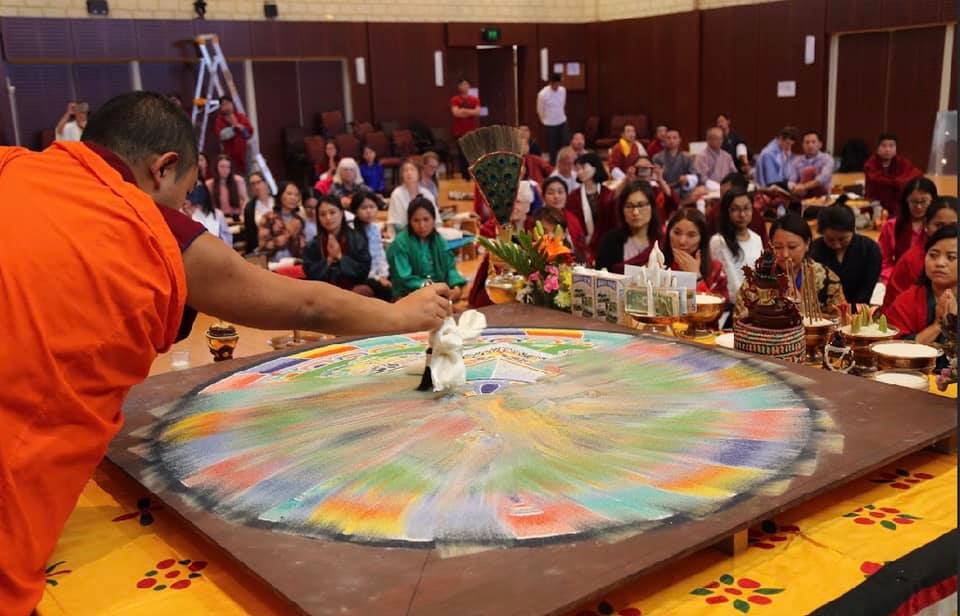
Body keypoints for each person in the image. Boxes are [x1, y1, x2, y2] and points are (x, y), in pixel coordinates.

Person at [0, 91, 451, 615]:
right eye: (185, 193)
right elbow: (306, 305)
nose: (183, 210)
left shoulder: (12, 166)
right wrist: (400, 316)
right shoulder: (147, 226)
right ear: (163, 168)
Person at [734, 213, 846, 321]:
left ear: (807, 244)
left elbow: (840, 318)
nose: (785, 254)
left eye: (792, 247)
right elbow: (738, 319)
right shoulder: (756, 280)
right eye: (778, 247)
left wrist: (803, 309)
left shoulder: (826, 279)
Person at [884, 225, 958, 345]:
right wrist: (937, 326)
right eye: (933, 255)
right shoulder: (908, 300)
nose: (940, 263)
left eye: (951, 257)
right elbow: (892, 346)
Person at [883, 197, 958, 313]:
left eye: (954, 225)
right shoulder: (912, 260)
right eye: (939, 225)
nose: (947, 231)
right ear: (926, 224)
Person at [468, 181, 535, 307]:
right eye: (510, 203)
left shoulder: (534, 227)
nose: (513, 206)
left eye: (518, 202)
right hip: (496, 283)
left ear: (528, 206)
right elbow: (480, 246)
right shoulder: (493, 226)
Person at [387, 196, 466, 300]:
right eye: (416, 220)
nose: (422, 225)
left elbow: (450, 268)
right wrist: (431, 288)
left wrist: (456, 287)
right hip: (409, 296)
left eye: (426, 219)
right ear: (409, 221)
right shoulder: (400, 243)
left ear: (433, 219)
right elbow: (404, 278)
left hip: (440, 293)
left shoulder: (439, 241)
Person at [809, 203, 881, 305]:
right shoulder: (814, 249)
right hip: (823, 309)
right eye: (830, 239)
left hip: (859, 307)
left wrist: (852, 310)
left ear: (853, 230)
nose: (837, 245)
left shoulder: (869, 249)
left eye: (842, 239)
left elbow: (867, 289)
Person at [303, 194, 373, 296]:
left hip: (351, 290)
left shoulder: (357, 238)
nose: (328, 218)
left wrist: (340, 257)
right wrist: (329, 260)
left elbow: (364, 271)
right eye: (322, 214)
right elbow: (309, 273)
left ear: (341, 213)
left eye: (332, 212)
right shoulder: (313, 244)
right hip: (322, 292)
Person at [878, 177, 938, 282]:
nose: (919, 206)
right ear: (906, 201)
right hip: (897, 278)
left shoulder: (938, 226)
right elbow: (884, 261)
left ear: (933, 201)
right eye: (914, 202)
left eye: (924, 202)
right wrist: (895, 277)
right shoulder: (891, 226)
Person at [709, 187, 763, 302]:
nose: (742, 214)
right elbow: (729, 281)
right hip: (730, 304)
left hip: (755, 303)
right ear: (726, 211)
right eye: (735, 209)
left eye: (746, 208)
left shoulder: (757, 239)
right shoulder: (718, 241)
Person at [596, 181, 661, 274]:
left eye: (641, 205)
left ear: (652, 207)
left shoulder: (662, 242)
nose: (635, 212)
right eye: (629, 206)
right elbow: (600, 275)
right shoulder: (609, 242)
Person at [662, 208, 727, 296]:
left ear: (702, 238)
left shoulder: (716, 269)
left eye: (691, 235)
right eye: (677, 233)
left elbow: (719, 303)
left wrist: (696, 276)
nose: (682, 241)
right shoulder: (656, 264)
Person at [568, 151, 616, 263]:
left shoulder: (608, 193)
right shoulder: (573, 197)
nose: (579, 172)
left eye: (583, 167)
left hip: (606, 245)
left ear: (595, 168)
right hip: (583, 246)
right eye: (577, 169)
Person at [864, 133, 922, 213]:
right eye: (884, 146)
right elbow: (876, 179)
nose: (887, 149)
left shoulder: (900, 161)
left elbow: (917, 173)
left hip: (896, 201)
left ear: (896, 148)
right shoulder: (870, 163)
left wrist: (900, 181)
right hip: (876, 202)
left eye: (891, 146)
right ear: (877, 149)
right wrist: (899, 182)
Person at [350, 191, 392, 300]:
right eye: (363, 208)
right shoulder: (352, 232)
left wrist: (384, 274)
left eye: (372, 207)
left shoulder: (375, 228)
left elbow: (380, 255)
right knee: (385, 290)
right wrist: (378, 278)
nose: (368, 211)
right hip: (363, 275)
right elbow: (361, 264)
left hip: (377, 274)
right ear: (355, 211)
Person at [387, 159, 438, 237]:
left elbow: (436, 220)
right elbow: (397, 224)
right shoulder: (396, 194)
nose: (409, 173)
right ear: (402, 175)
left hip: (427, 233)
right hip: (404, 235)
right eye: (405, 170)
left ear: (419, 174)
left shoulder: (427, 194)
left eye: (412, 170)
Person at [258, 180, 306, 262]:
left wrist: (295, 239)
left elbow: (301, 250)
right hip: (273, 263)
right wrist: (288, 233)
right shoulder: (268, 217)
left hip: (294, 263)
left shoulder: (299, 220)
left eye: (296, 195)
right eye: (289, 194)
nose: (293, 198)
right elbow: (263, 246)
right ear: (280, 195)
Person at [542, 176, 587, 261]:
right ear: (543, 197)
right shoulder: (539, 218)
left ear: (567, 195)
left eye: (560, 192)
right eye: (550, 193)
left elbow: (581, 247)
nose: (556, 196)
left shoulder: (573, 218)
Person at [653, 128, 702, 203]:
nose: (671, 140)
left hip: (683, 190)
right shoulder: (657, 157)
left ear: (679, 140)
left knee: (700, 191)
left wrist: (687, 179)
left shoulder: (687, 157)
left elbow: (695, 176)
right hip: (664, 190)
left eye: (674, 138)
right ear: (664, 140)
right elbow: (655, 179)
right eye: (668, 138)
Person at [787, 131, 834, 197]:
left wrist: (804, 186)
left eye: (813, 142)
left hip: (822, 196)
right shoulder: (797, 160)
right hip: (802, 196)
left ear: (820, 144)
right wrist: (794, 188)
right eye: (807, 142)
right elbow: (791, 180)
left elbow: (822, 179)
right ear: (802, 145)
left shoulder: (827, 159)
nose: (810, 145)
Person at [450, 78, 481, 178]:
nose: (465, 86)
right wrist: (470, 112)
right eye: (463, 85)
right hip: (459, 131)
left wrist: (463, 110)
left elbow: (477, 112)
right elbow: (456, 113)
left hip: (472, 131)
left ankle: (472, 173)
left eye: (466, 84)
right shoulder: (455, 99)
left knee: (471, 153)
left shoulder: (474, 99)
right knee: (462, 154)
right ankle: (464, 175)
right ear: (459, 87)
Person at [214, 96, 253, 174]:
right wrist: (234, 127)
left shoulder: (241, 116)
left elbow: (249, 133)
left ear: (232, 104)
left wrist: (242, 128)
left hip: (244, 153)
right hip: (229, 155)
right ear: (221, 107)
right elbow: (222, 135)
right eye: (223, 104)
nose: (227, 106)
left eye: (228, 103)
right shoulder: (219, 120)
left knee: (247, 174)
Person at [536, 73, 568, 164]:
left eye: (559, 84)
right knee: (552, 147)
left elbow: (563, 104)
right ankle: (553, 165)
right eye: (555, 84)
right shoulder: (542, 94)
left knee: (565, 143)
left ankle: (565, 163)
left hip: (562, 121)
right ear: (551, 83)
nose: (557, 86)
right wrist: (544, 121)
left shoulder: (563, 90)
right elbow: (539, 109)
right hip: (550, 124)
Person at [206, 154, 248, 219]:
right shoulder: (209, 184)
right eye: (222, 167)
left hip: (236, 217)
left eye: (228, 167)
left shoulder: (238, 181)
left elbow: (245, 200)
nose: (225, 170)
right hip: (218, 218)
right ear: (216, 167)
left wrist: (243, 215)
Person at [242, 171, 274, 253]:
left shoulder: (277, 201)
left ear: (266, 183)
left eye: (258, 182)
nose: (256, 186)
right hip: (262, 249)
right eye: (253, 184)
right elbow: (250, 234)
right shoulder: (249, 208)